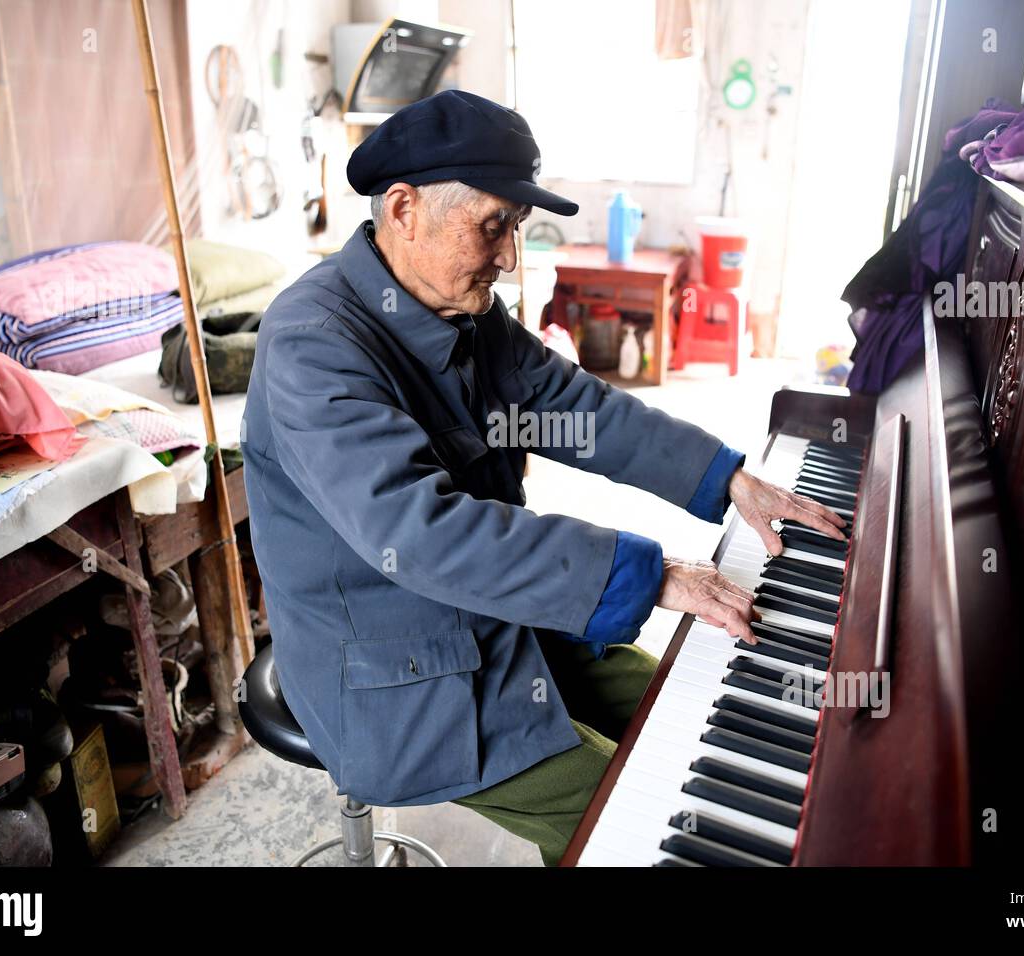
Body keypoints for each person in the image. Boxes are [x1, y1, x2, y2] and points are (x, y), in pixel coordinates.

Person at [240, 90, 844, 866]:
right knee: (632, 825)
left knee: (694, 708)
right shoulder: (313, 345)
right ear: (402, 209)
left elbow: (567, 404)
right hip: (395, 670)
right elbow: (420, 534)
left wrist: (727, 478)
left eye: (515, 230)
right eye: (492, 226)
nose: (509, 258)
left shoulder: (456, 305)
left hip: (497, 620)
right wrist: (650, 574)